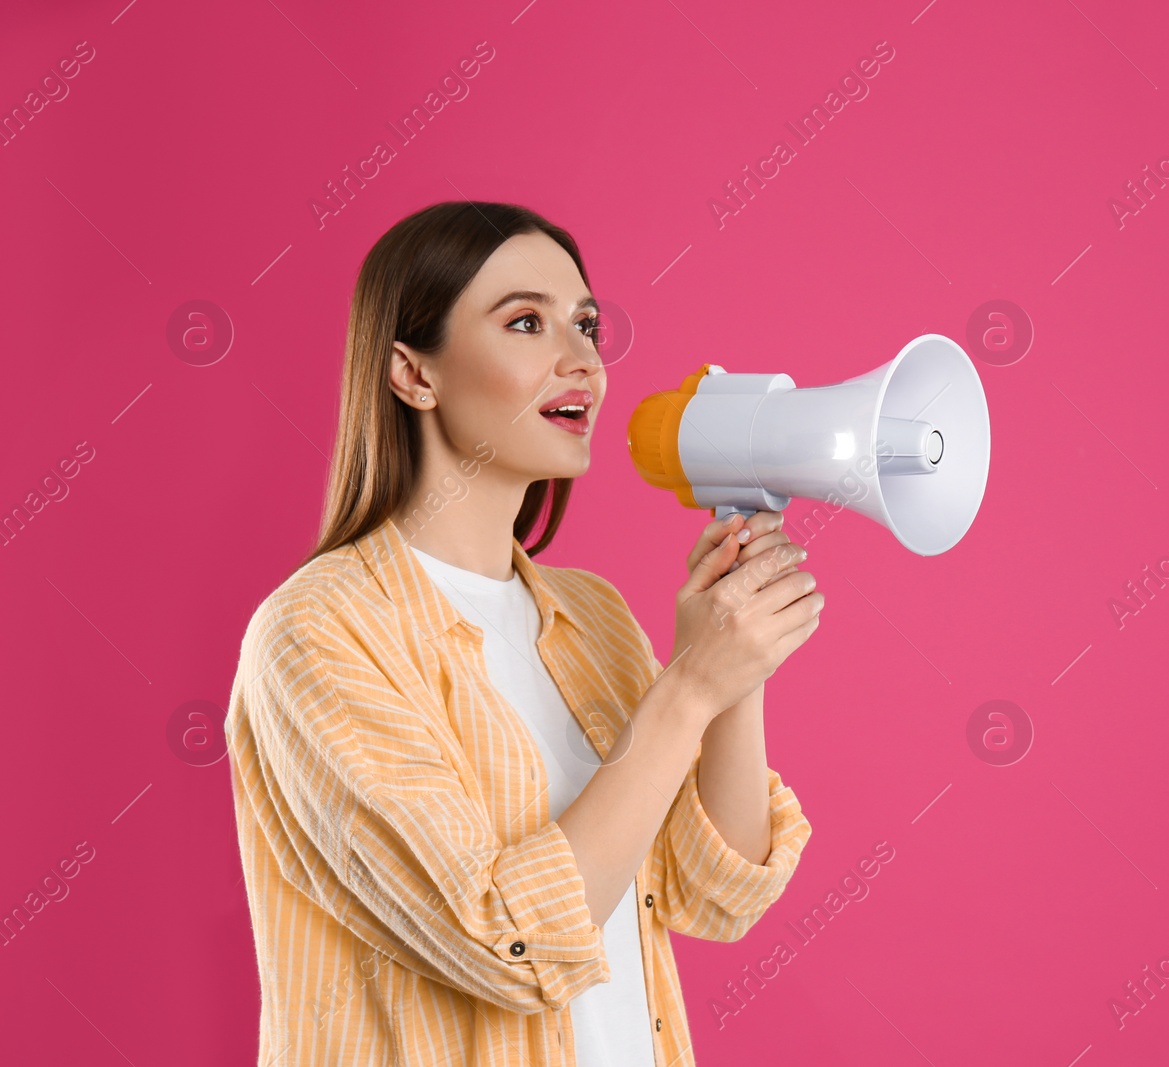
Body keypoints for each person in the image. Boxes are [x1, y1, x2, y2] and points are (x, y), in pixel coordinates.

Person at [224, 200, 822, 1066]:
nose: (581, 359)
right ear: (412, 374)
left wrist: (735, 666)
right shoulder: (318, 632)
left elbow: (718, 891)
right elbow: (501, 938)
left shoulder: (592, 617)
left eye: (586, 324)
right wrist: (686, 687)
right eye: (526, 322)